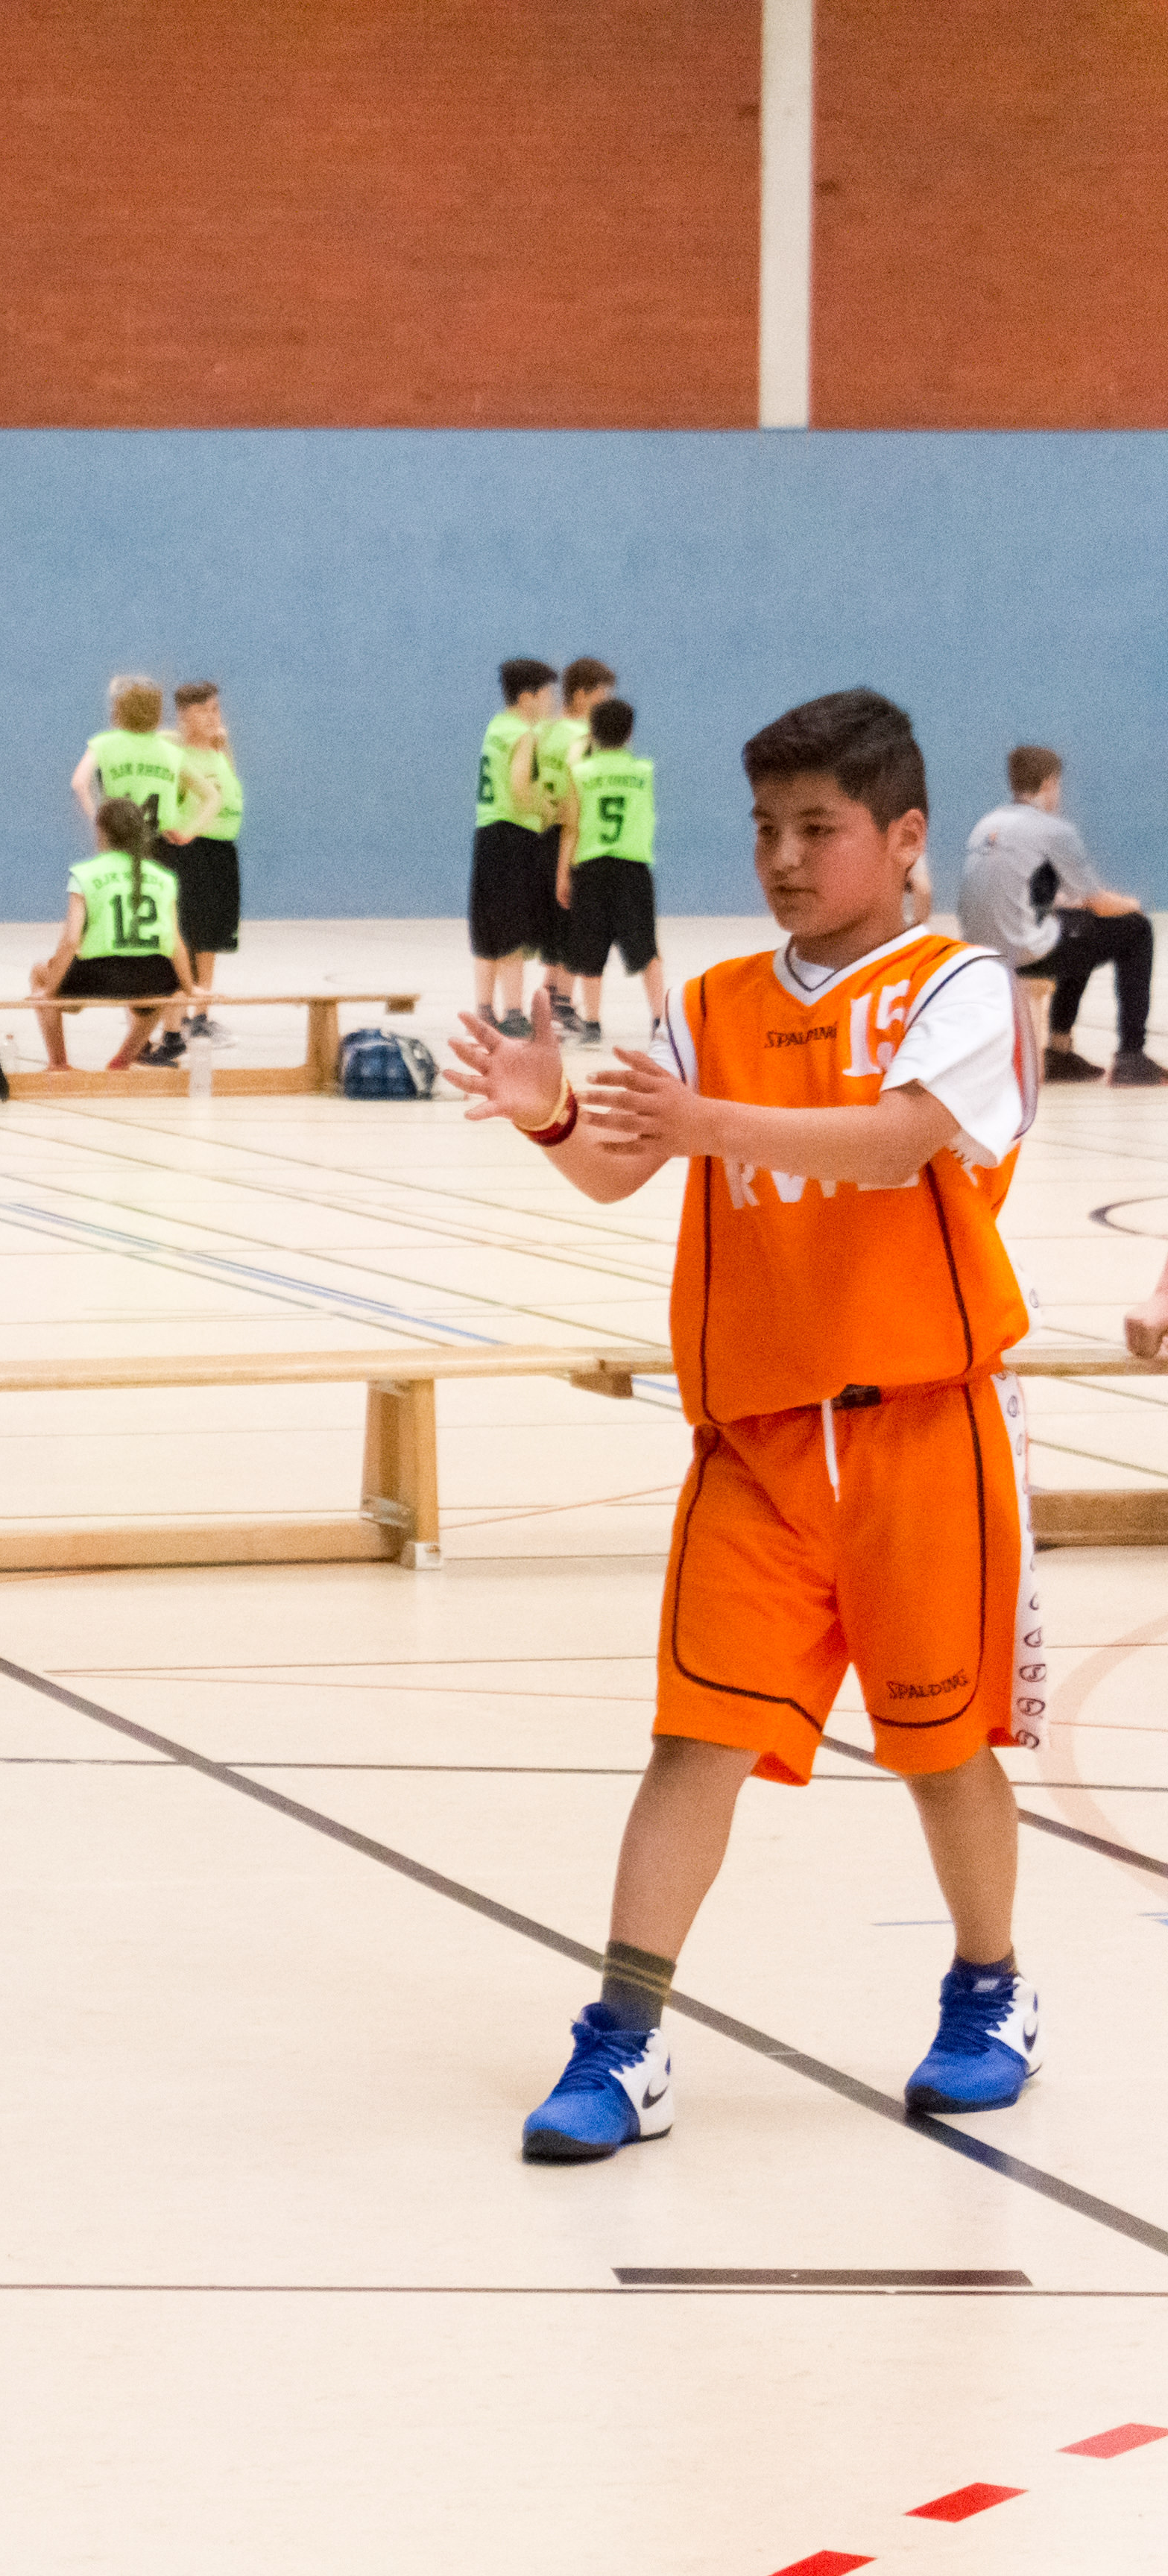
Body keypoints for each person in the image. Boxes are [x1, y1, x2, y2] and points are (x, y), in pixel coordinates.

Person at [450, 687, 1046, 2165]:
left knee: (941, 1751)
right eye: (765, 828)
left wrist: (707, 1125)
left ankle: (990, 1991)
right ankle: (623, 2041)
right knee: (689, 1746)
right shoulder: (710, 1005)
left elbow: (897, 1144)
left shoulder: (958, 990)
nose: (781, 856)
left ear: (902, 838)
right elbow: (621, 1169)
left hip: (921, 1432)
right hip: (758, 1451)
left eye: (815, 828)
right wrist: (548, 1114)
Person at [957, 744, 1155, 1085]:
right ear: (1049, 783)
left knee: (1079, 929)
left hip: (981, 951)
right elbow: (1099, 902)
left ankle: (1060, 1052)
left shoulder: (987, 825)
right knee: (1135, 929)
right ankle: (1131, 1057)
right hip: (1024, 952)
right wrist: (1132, 903)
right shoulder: (1052, 830)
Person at [29, 795, 192, 1072]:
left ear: (101, 833)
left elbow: (70, 941)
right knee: (170, 989)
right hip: (150, 979)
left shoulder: (86, 873)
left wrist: (50, 990)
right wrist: (189, 989)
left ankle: (59, 1063)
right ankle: (122, 1061)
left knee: (39, 973)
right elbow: (176, 943)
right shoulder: (164, 879)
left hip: (96, 976)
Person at [555, 695, 666, 1047]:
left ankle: (592, 1022)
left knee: (590, 948)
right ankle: (660, 1017)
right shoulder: (644, 771)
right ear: (630, 733)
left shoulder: (581, 773)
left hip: (591, 869)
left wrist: (563, 873)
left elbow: (571, 827)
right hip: (633, 868)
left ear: (592, 732)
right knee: (646, 948)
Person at [522, 657, 618, 1036]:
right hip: (571, 833)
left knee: (558, 921)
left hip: (544, 831)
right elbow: (584, 788)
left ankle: (550, 993)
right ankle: (561, 1001)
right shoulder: (584, 737)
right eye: (601, 695)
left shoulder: (546, 732)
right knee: (577, 918)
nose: (605, 703)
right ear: (581, 694)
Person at [470, 658, 558, 1036]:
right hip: (515, 835)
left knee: (487, 926)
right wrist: (548, 808)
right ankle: (514, 1012)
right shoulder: (524, 734)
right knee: (512, 928)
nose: (552, 702)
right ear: (527, 697)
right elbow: (521, 787)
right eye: (547, 694)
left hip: (487, 832)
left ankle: (483, 1008)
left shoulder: (496, 728)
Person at [165, 681, 244, 1038]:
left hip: (222, 853)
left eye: (216, 709)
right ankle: (178, 1017)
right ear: (184, 715)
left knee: (210, 940)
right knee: (186, 936)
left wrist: (223, 748)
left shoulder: (217, 751)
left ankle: (201, 1016)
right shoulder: (177, 755)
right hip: (192, 853)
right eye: (204, 711)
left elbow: (228, 791)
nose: (214, 717)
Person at [72, 675, 192, 853]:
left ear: (119, 711)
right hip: (161, 843)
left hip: (120, 838)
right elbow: (210, 795)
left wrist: (99, 822)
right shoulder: (171, 751)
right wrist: (187, 831)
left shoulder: (105, 744)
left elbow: (79, 784)